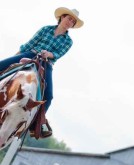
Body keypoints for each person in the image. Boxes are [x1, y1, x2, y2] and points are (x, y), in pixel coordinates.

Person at [0, 7, 84, 138]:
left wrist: (49, 54)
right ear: (62, 17)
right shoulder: (46, 29)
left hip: (47, 63)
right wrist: (16, 56)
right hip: (31, 54)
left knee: (49, 96)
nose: (70, 22)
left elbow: (58, 54)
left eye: (73, 21)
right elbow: (29, 44)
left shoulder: (68, 41)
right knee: (2, 65)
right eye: (69, 18)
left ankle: (36, 125)